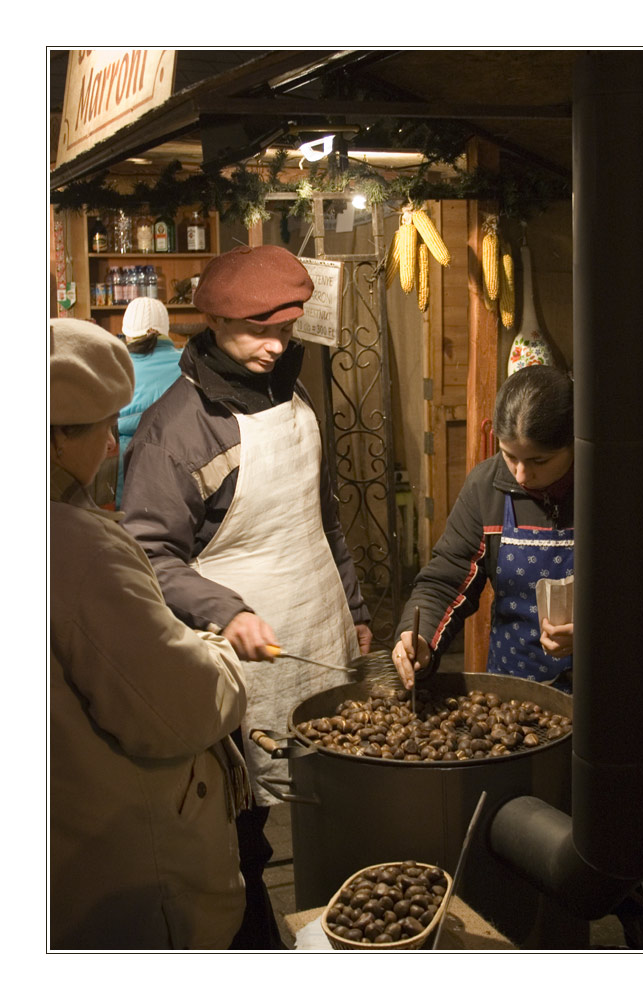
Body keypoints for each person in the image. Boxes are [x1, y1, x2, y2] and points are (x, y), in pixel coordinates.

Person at [120, 245, 372, 948]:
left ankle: (345, 933)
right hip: (239, 663)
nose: (274, 346)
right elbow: (149, 551)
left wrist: (351, 609)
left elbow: (321, 520)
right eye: (258, 332)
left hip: (315, 629)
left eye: (285, 331)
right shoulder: (178, 429)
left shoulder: (294, 395)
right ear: (216, 322)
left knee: (337, 799)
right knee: (247, 831)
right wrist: (224, 611)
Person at [49, 318, 250, 950]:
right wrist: (219, 653)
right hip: (119, 875)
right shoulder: (75, 550)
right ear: (53, 439)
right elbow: (176, 708)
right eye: (101, 428)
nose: (112, 445)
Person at [393, 364, 574, 692]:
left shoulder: (612, 487)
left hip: (604, 690)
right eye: (509, 456)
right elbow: (445, 583)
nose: (520, 475)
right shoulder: (486, 487)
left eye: (539, 461)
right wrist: (419, 637)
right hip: (512, 691)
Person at [115, 296, 181, 508]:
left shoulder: (115, 367)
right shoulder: (188, 363)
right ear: (166, 330)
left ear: (127, 333)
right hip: (178, 470)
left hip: (126, 474)